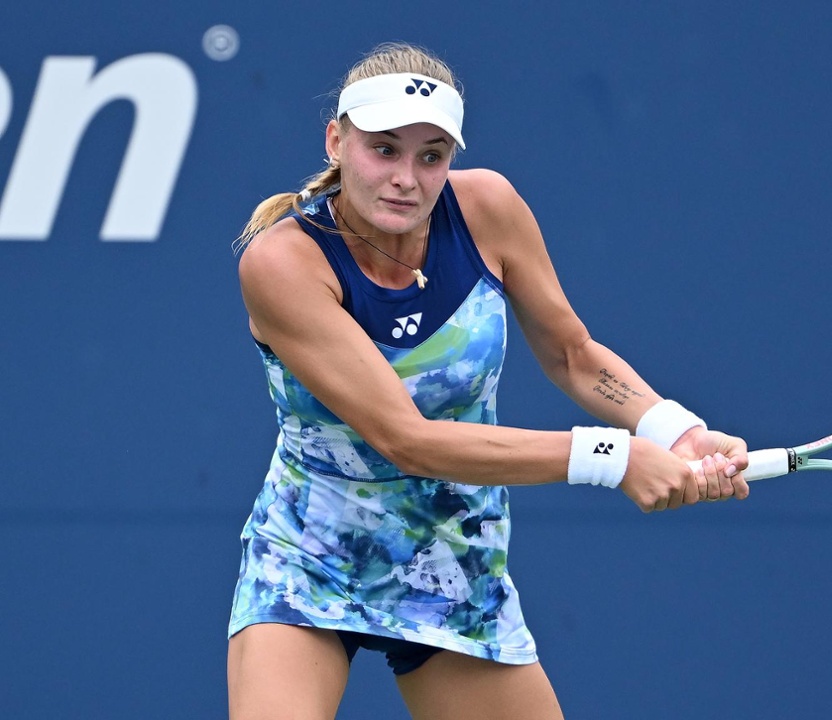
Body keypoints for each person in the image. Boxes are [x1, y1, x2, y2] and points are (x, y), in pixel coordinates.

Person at [226, 42, 750, 720]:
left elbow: (573, 355)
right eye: (384, 149)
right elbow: (406, 440)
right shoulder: (283, 263)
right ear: (336, 141)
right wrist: (612, 458)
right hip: (310, 557)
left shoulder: (489, 209)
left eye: (431, 155)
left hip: (453, 557)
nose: (406, 178)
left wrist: (675, 431)